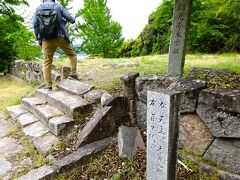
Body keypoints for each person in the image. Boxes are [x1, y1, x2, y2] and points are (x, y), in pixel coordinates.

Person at [33, 0, 79, 90]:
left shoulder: (38, 8)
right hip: (60, 37)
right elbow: (72, 20)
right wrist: (63, 22)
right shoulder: (58, 7)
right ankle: (73, 75)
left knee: (46, 63)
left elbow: (35, 24)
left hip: (46, 39)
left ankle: (48, 85)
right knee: (72, 54)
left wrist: (38, 38)